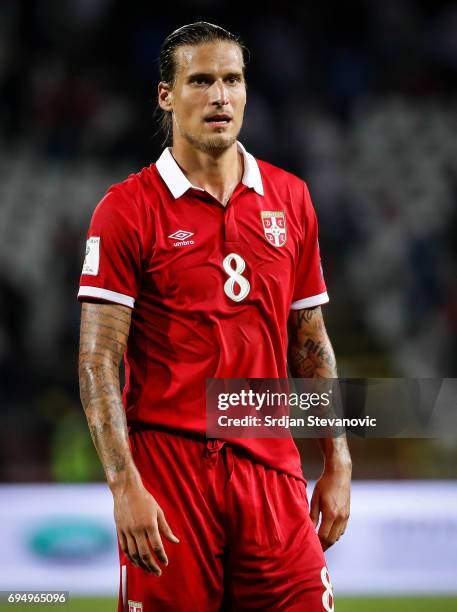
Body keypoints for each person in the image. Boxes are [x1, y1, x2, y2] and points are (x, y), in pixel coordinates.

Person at [78, 21, 351, 612]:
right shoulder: (126, 210)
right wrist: (124, 486)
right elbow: (99, 358)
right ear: (166, 95)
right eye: (200, 80)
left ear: (247, 91)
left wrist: (337, 458)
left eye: (232, 79)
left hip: (271, 468)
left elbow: (311, 342)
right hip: (170, 472)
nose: (220, 96)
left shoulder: (291, 198)